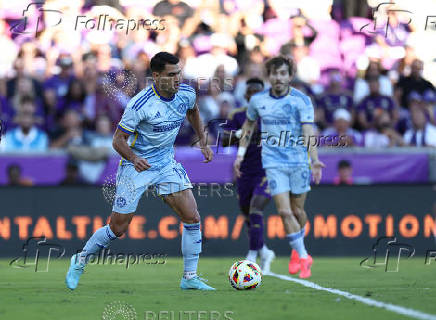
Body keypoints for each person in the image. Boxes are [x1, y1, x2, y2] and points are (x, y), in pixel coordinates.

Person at [65, 52, 215, 291]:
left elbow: (193, 111)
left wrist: (203, 141)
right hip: (136, 166)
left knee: (192, 217)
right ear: (156, 76)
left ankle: (190, 277)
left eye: (180, 73)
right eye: (172, 74)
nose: (178, 79)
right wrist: (134, 158)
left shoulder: (186, 93)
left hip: (166, 163)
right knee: (118, 228)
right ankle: (80, 260)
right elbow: (117, 141)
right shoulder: (140, 104)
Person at [234, 57, 325, 279]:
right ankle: (304, 255)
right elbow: (247, 127)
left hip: (298, 163)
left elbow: (307, 132)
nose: (278, 78)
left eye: (283, 73)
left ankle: (297, 251)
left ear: (290, 76)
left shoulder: (301, 100)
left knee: (297, 212)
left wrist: (314, 160)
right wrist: (240, 156)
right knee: (284, 211)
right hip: (273, 163)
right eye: (274, 73)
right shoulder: (258, 100)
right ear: (269, 76)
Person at [223, 78, 275, 273]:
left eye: (258, 92)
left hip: (267, 170)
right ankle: (265, 251)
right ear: (246, 96)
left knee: (256, 208)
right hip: (244, 172)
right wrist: (240, 133)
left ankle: (252, 255)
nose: (254, 96)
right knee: (248, 216)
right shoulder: (237, 115)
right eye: (251, 92)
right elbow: (225, 141)